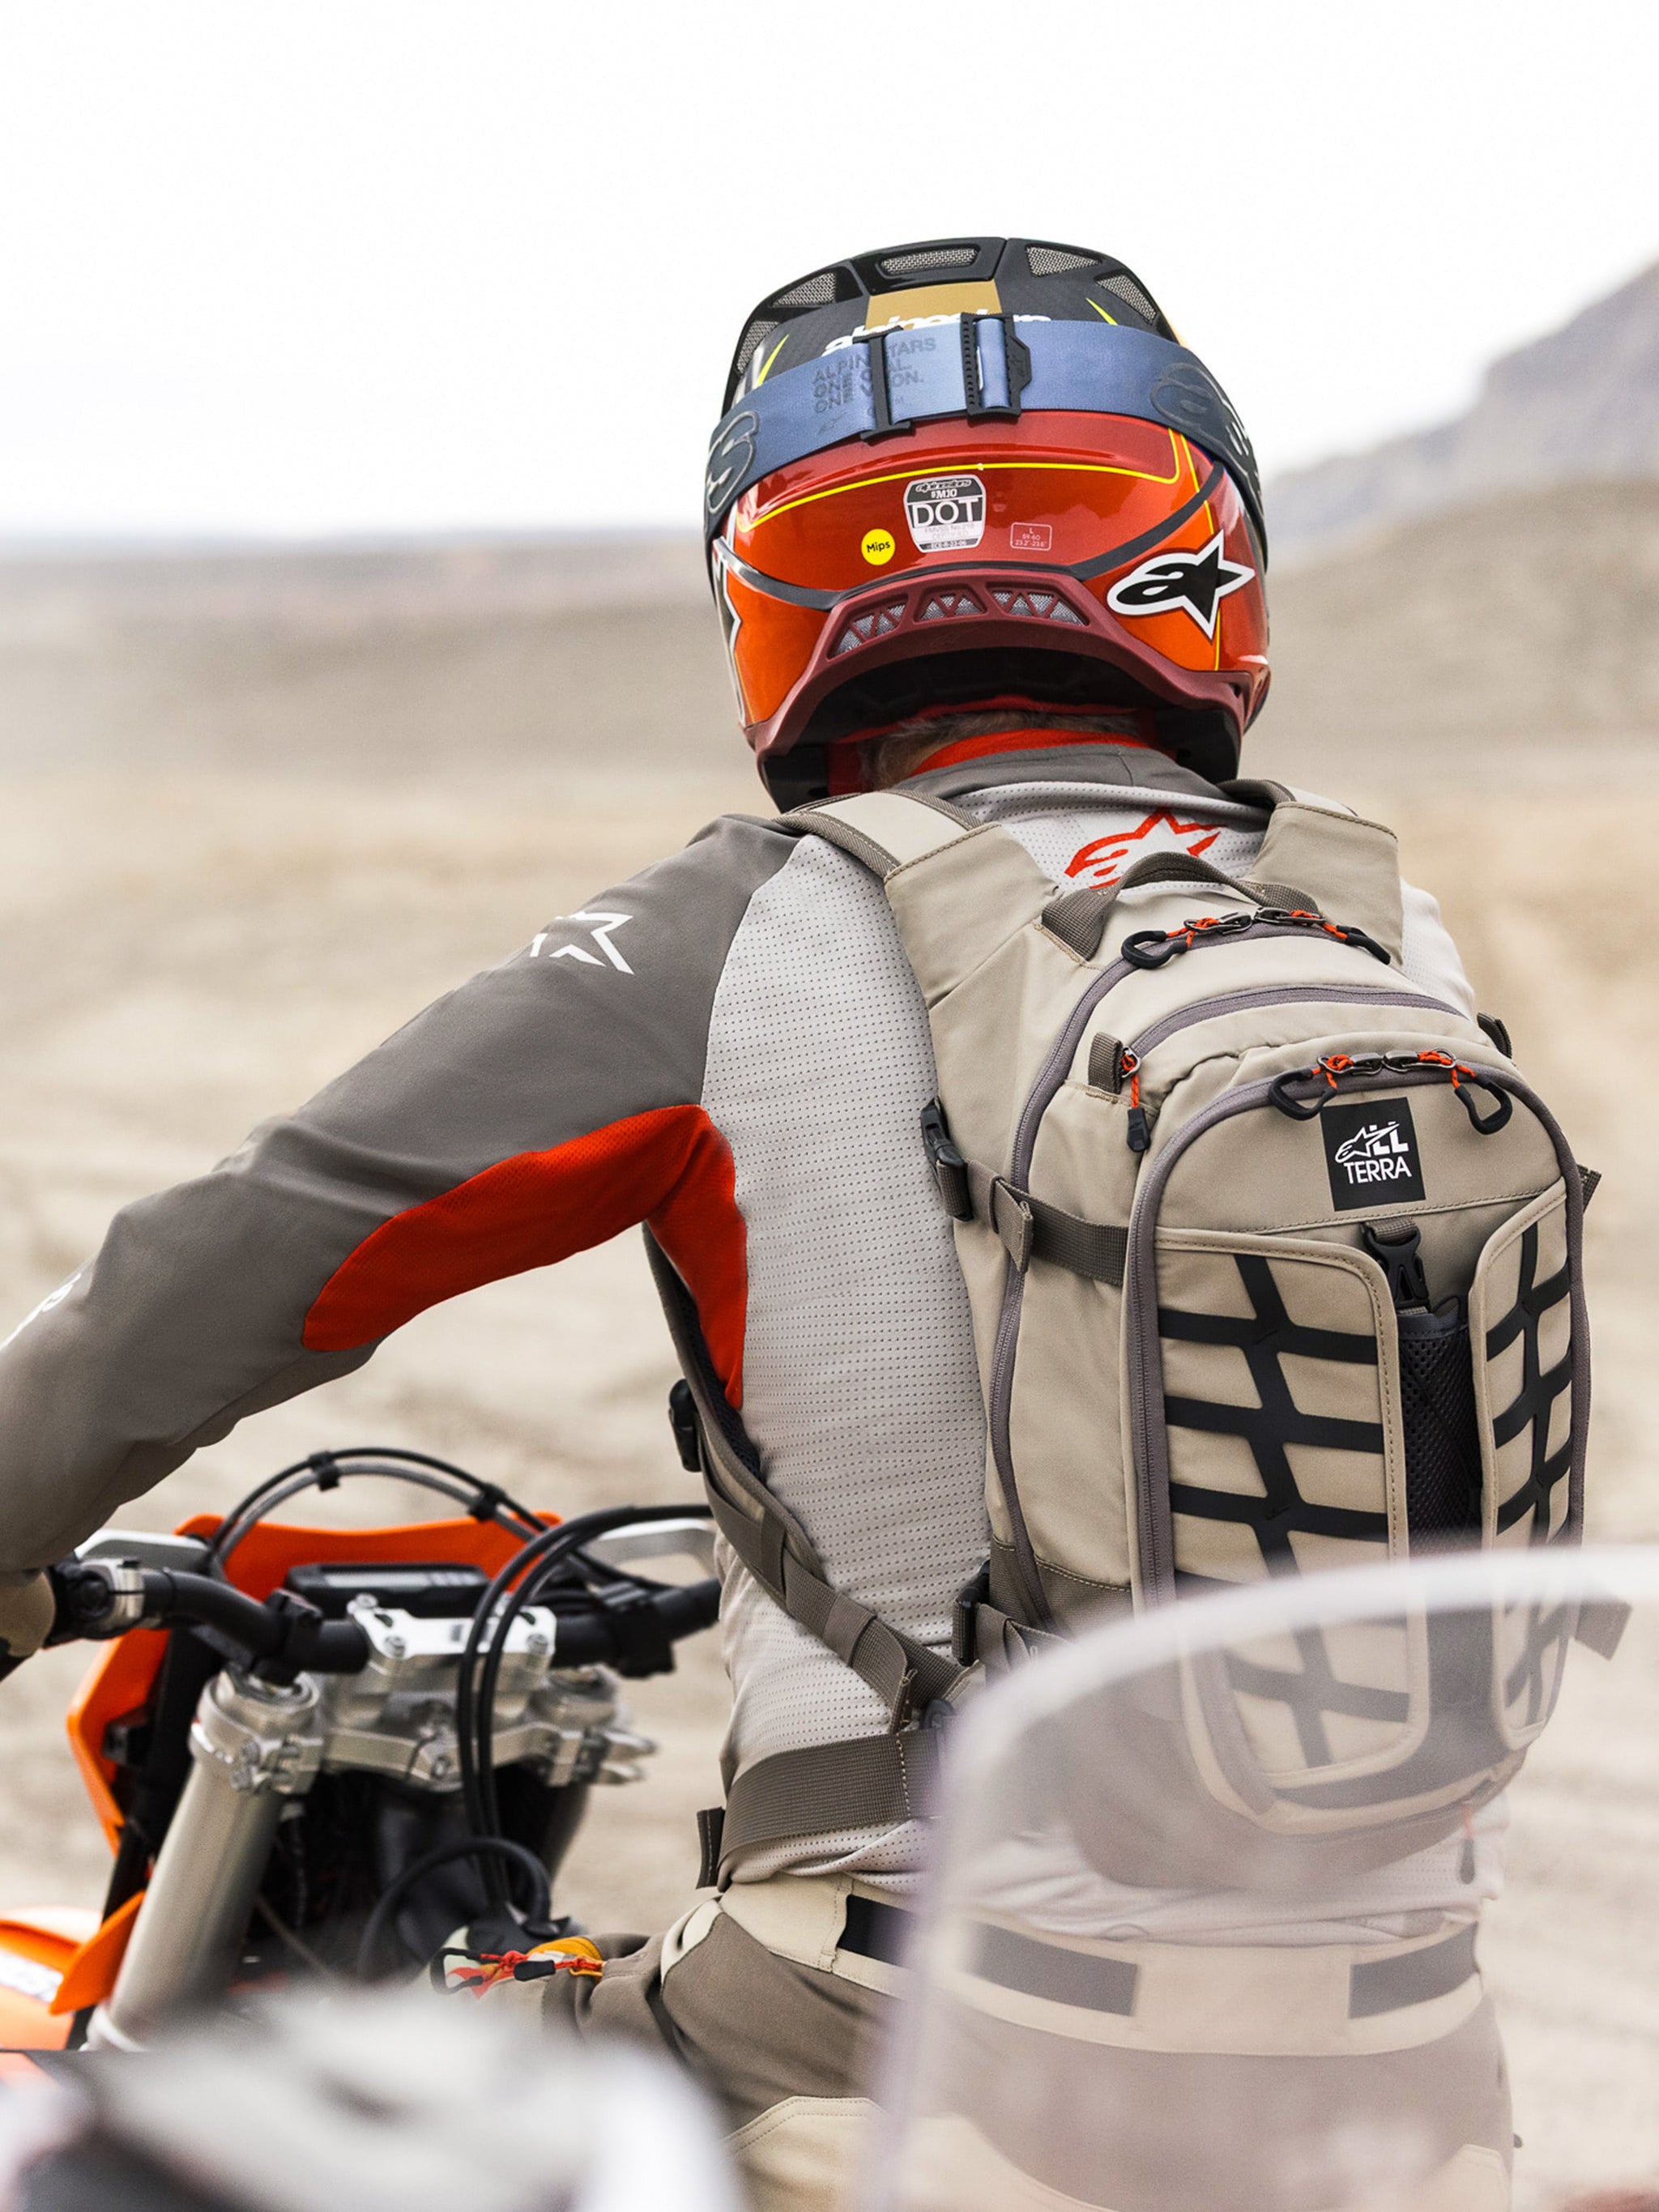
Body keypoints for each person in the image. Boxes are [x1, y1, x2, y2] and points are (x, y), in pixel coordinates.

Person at [0, 238, 1500, 2209]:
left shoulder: (739, 934)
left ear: (778, 594)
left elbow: (247, 1257)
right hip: (1405, 2052)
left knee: (266, 2115)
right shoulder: (1390, 935)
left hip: (894, 2037)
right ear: (1203, 555)